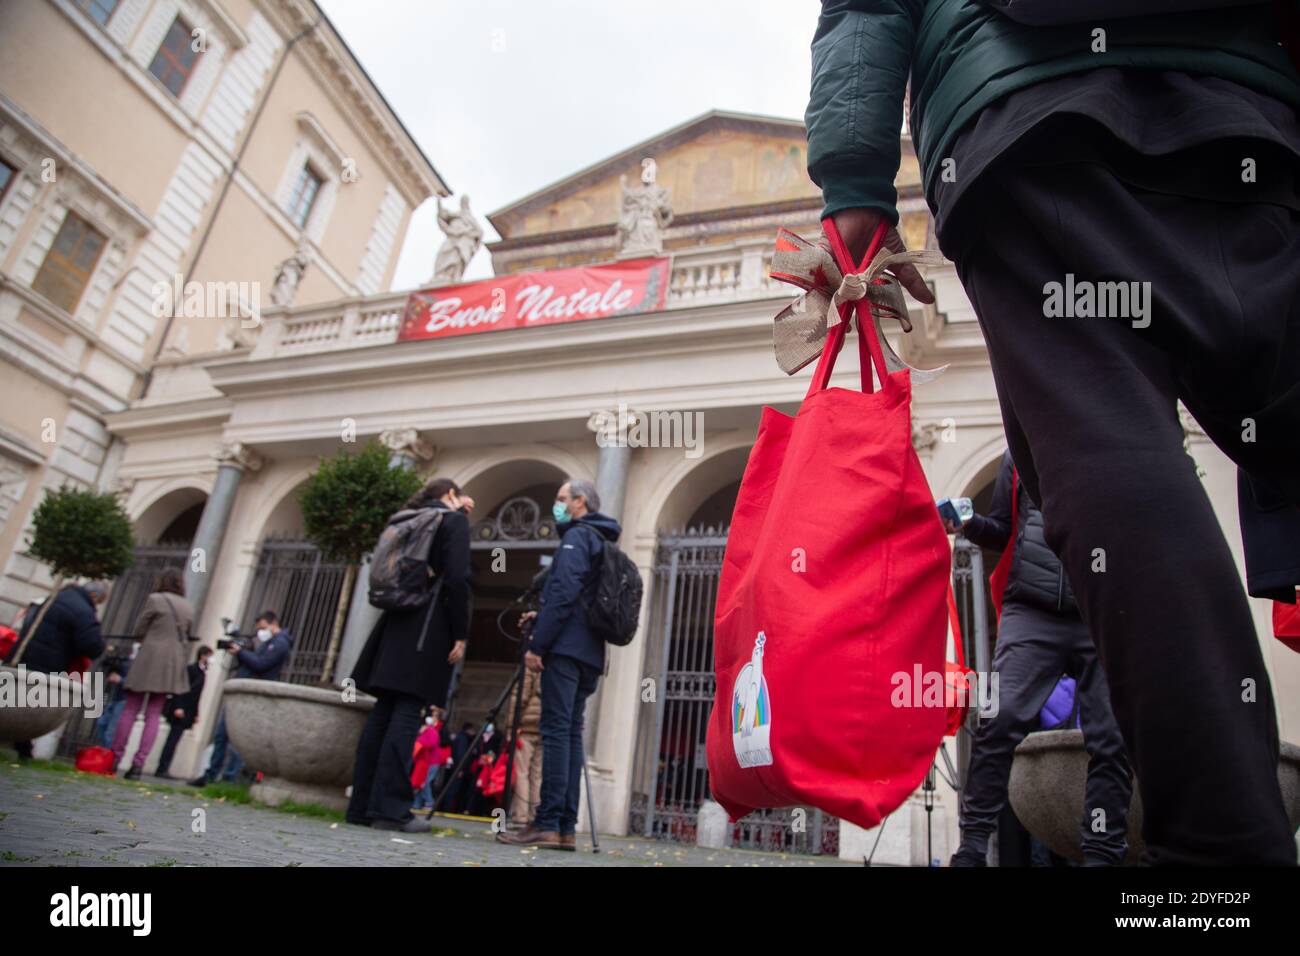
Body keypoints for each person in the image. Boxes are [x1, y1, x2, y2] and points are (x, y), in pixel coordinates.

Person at [804, 0, 1300, 865]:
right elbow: (1004, 526)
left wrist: (853, 184)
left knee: (1112, 453)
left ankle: (1225, 863)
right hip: (1245, 93)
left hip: (1031, 96)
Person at [945, 452, 1132, 866]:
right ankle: (973, 847)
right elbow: (1003, 532)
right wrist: (969, 524)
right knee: (1001, 717)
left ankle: (1102, 852)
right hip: (1032, 611)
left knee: (1112, 737)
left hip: (1100, 608)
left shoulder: (1108, 439)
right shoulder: (1019, 454)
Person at [500, 478, 621, 851]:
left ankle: (547, 823)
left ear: (580, 502)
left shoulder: (576, 537)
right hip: (590, 653)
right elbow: (577, 596)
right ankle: (565, 827)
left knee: (554, 733)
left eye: (561, 499)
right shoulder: (601, 539)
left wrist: (539, 642)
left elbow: (565, 590)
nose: (557, 505)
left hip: (566, 651)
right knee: (568, 734)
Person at [347, 477, 472, 833]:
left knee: (382, 712)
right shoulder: (453, 522)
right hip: (428, 623)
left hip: (394, 623)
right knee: (407, 711)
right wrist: (460, 633)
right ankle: (391, 810)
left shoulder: (409, 518)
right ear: (450, 495)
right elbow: (458, 578)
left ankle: (361, 806)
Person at [4, 581, 109, 760]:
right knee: (31, 708)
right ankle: (23, 748)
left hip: (23, 657)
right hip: (49, 664)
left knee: (18, 702)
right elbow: (92, 645)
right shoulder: (83, 610)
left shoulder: (55, 597)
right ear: (94, 596)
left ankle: (23, 748)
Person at [187, 611, 294, 786]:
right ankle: (212, 774)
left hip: (252, 696)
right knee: (222, 735)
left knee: (238, 739)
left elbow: (261, 664)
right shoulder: (269, 642)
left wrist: (241, 653)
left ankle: (230, 778)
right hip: (243, 694)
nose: (259, 631)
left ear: (273, 623)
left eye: (262, 627)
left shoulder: (280, 643)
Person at [111, 569, 195, 779]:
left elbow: (140, 629)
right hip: (172, 660)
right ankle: (139, 765)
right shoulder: (187, 606)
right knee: (154, 714)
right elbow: (188, 633)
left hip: (150, 655)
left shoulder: (155, 599)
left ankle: (114, 758)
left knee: (131, 707)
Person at [155, 645, 212, 779]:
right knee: (172, 740)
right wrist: (178, 706)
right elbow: (181, 689)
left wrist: (197, 713)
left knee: (175, 740)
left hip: (189, 710)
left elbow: (197, 696)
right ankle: (162, 768)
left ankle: (164, 767)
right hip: (181, 709)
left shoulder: (202, 672)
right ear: (203, 656)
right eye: (209, 656)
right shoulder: (191, 669)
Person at [508, 665, 544, 830]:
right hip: (544, 726)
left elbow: (520, 696)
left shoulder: (531, 663)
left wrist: (511, 725)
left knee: (521, 772)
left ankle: (520, 816)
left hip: (526, 726)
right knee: (536, 775)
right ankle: (533, 816)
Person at [411, 707, 452, 812]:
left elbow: (432, 743)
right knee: (421, 782)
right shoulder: (428, 729)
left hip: (432, 760)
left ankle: (429, 802)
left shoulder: (433, 730)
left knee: (425, 782)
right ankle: (417, 803)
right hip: (425, 760)